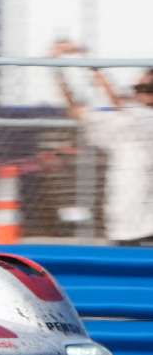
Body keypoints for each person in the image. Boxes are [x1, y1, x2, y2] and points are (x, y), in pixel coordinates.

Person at [53, 40, 153, 246]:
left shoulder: (146, 119)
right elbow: (75, 109)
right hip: (122, 225)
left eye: (147, 88)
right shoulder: (123, 121)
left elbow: (114, 97)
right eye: (138, 87)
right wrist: (56, 67)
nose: (140, 92)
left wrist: (85, 55)